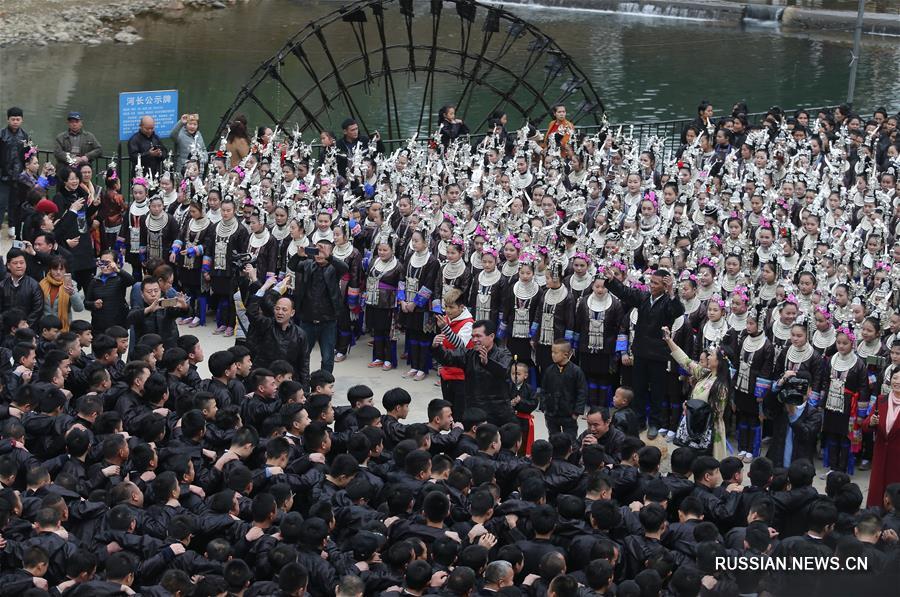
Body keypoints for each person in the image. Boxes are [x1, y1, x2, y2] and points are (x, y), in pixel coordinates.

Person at [607, 269, 684, 438]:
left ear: (665, 286)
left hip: (658, 354)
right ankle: (639, 421)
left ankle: (655, 423)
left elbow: (677, 311)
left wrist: (672, 292)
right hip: (640, 351)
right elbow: (625, 292)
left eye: (656, 283)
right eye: (651, 282)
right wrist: (612, 279)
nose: (652, 286)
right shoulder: (643, 298)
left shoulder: (668, 301)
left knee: (657, 392)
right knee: (639, 389)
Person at [662, 325, 732, 459]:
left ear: (720, 361)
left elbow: (716, 414)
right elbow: (685, 361)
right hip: (695, 424)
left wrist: (690, 408)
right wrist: (669, 340)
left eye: (711, 355)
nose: (708, 357)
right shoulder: (705, 374)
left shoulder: (721, 386)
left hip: (708, 430)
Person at [433, 319, 514, 425]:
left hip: (497, 412)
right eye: (473, 336)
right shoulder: (470, 354)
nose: (474, 340)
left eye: (478, 336)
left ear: (492, 336)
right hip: (474, 410)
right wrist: (437, 347)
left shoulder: (503, 353)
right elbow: (448, 358)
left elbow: (504, 371)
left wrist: (487, 363)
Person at [289, 237, 349, 373]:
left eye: (323, 250)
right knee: (303, 355)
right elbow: (292, 266)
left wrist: (329, 257)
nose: (319, 253)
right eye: (317, 249)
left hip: (328, 321)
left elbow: (345, 268)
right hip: (307, 319)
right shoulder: (308, 264)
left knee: (327, 357)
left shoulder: (334, 268)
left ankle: (325, 385)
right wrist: (298, 256)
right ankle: (302, 384)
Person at [245, 268, 310, 391]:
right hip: (265, 380)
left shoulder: (300, 334)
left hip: (287, 383)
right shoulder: (266, 325)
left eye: (284, 310)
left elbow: (304, 364)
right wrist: (264, 288)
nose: (280, 312)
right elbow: (252, 312)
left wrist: (305, 390)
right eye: (277, 309)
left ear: (292, 313)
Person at [864, 369, 900, 507]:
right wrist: (871, 422)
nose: (897, 382)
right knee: (876, 493)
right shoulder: (881, 400)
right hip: (880, 455)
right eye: (895, 378)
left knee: (895, 495)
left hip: (897, 458)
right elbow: (866, 425)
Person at [127, 276, 189, 349]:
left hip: (167, 347)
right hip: (147, 349)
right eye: (149, 292)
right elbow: (130, 318)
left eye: (156, 291)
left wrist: (184, 307)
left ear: (160, 290)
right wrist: (149, 309)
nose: (153, 294)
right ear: (142, 294)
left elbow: (182, 312)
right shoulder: (140, 307)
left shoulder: (166, 303)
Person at [0, 107, 30, 238]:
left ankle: (12, 225)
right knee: (1, 202)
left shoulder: (25, 136)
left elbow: (29, 154)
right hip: (2, 175)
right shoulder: (1, 134)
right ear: (8, 119)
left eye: (18, 119)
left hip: (18, 175)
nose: (15, 122)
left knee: (15, 203)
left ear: (22, 120)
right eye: (13, 119)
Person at [0, 247, 44, 328]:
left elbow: (37, 310)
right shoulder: (2, 285)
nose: (19, 266)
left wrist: (24, 326)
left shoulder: (34, 285)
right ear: (8, 266)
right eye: (15, 263)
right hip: (6, 330)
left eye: (21, 262)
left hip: (27, 330)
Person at [39, 255, 84, 332]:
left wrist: (72, 294)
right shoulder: (42, 284)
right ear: (50, 270)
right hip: (45, 328)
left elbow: (79, 308)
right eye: (55, 269)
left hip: (63, 328)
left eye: (61, 269)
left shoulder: (71, 284)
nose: (58, 272)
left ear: (66, 271)